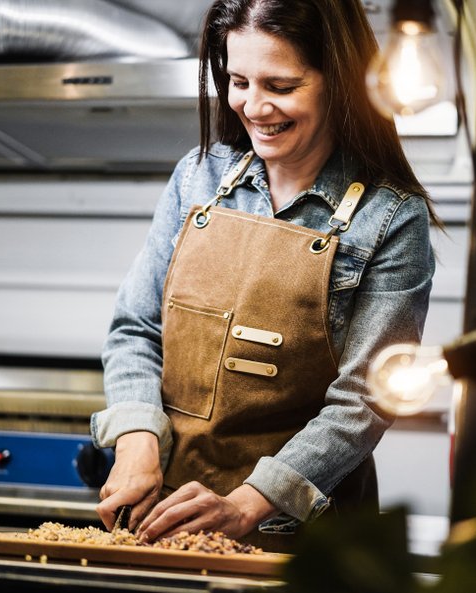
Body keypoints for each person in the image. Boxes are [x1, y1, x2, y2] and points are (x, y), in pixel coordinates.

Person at [90, 0, 439, 552]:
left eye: (280, 85)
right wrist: (137, 444)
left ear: (338, 83)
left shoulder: (392, 217)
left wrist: (245, 505)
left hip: (309, 542)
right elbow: (137, 328)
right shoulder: (197, 176)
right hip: (172, 523)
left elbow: (364, 398)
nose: (254, 106)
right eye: (238, 81)